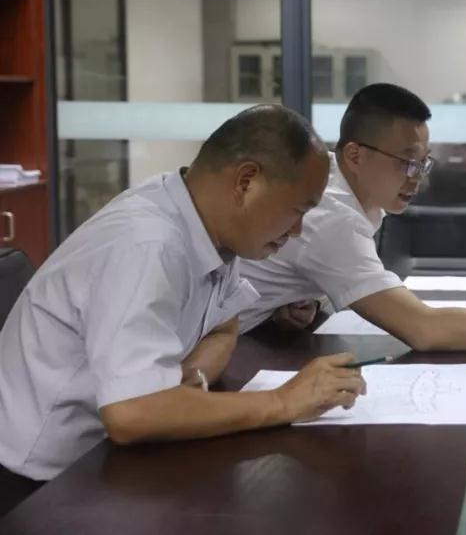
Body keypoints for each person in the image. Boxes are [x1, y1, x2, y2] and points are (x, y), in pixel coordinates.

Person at [0, 105, 365, 511]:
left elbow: (224, 327)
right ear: (246, 182)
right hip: (37, 485)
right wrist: (284, 402)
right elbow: (132, 414)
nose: (296, 231)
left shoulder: (212, 225)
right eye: (298, 210)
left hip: (107, 457)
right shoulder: (146, 243)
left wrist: (183, 385)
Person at [236, 83, 466, 347]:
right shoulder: (332, 216)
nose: (417, 178)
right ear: (355, 155)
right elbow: (425, 329)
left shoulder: (338, 181)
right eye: (406, 162)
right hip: (227, 351)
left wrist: (304, 301)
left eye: (423, 163)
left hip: (256, 333)